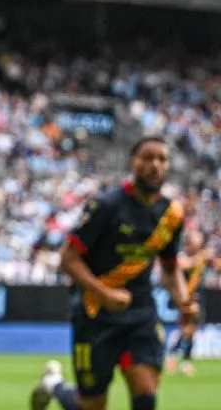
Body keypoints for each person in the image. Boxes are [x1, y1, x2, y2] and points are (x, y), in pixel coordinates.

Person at [29, 137, 199, 410]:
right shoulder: (105, 207)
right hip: (95, 313)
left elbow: (169, 268)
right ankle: (55, 385)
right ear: (133, 162)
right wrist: (104, 292)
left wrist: (183, 301)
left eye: (162, 159)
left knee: (146, 397)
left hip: (140, 313)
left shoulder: (171, 214)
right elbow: (68, 259)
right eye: (147, 158)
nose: (155, 165)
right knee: (92, 405)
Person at [164, 229, 214, 377]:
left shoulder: (202, 258)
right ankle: (174, 356)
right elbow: (183, 265)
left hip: (198, 296)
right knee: (187, 329)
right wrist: (202, 256)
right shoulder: (183, 256)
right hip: (184, 298)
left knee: (191, 331)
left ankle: (182, 360)